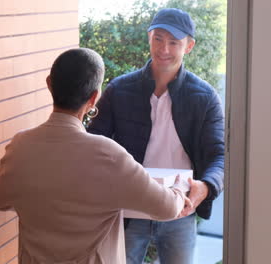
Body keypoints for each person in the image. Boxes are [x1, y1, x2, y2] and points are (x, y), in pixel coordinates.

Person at [0, 48, 192, 264]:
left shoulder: (21, 146)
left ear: (49, 84)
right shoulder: (109, 155)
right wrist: (179, 190)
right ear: (94, 97)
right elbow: (167, 207)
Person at [87, 8, 225, 264]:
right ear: (149, 37)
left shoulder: (204, 97)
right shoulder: (119, 89)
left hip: (180, 207)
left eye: (174, 42)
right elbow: (93, 142)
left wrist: (206, 187)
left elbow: (219, 154)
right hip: (130, 206)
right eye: (158, 38)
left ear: (189, 46)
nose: (164, 49)